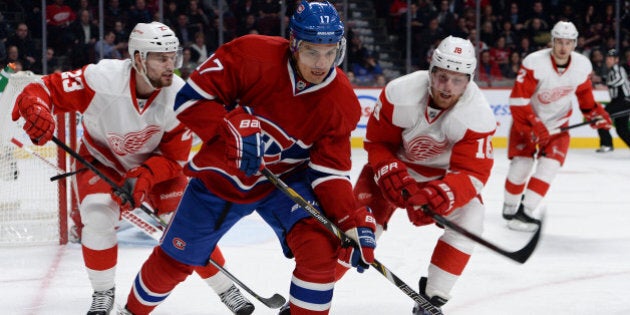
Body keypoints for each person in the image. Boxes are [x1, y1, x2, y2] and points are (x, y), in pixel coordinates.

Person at [119, 2, 376, 314]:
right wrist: (230, 126)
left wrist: (349, 220)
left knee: (321, 251)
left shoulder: (340, 100)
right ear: (294, 44)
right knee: (176, 260)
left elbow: (329, 173)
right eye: (311, 51)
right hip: (225, 175)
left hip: (284, 183)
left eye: (330, 51)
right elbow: (189, 101)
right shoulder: (250, 54)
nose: (322, 63)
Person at [10, 21, 253, 315]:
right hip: (103, 159)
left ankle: (227, 289)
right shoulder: (101, 79)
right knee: (97, 218)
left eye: (173, 57)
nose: (170, 65)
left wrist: (145, 177)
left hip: (158, 169)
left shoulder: (179, 96)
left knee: (185, 226)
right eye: (161, 58)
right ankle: (103, 292)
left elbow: (175, 158)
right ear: (138, 58)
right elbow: (45, 88)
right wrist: (34, 105)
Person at [352, 35, 497, 315]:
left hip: (440, 178)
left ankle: (433, 296)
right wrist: (387, 170)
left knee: (471, 220)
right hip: (393, 169)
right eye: (442, 77)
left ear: (469, 80)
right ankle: (310, 296)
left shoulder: (477, 114)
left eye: (457, 80)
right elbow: (377, 143)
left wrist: (441, 194)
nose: (447, 87)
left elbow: (472, 172)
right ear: (431, 71)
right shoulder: (400, 93)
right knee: (352, 234)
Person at [501, 21, 612, 231]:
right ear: (552, 42)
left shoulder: (581, 66)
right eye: (559, 42)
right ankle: (509, 206)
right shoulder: (535, 62)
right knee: (521, 167)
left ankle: (524, 213)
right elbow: (518, 99)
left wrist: (596, 114)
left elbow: (585, 98)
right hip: (526, 122)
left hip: (558, 125)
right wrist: (534, 125)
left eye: (568, 43)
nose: (563, 47)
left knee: (549, 166)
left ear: (575, 44)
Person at [595, 49, 630, 153]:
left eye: (611, 58)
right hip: (622, 102)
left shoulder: (618, 69)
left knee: (600, 117)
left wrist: (602, 81)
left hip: (622, 101)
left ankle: (606, 144)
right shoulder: (612, 70)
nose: (608, 60)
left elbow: (619, 80)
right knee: (621, 129)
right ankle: (607, 144)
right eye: (607, 58)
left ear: (616, 60)